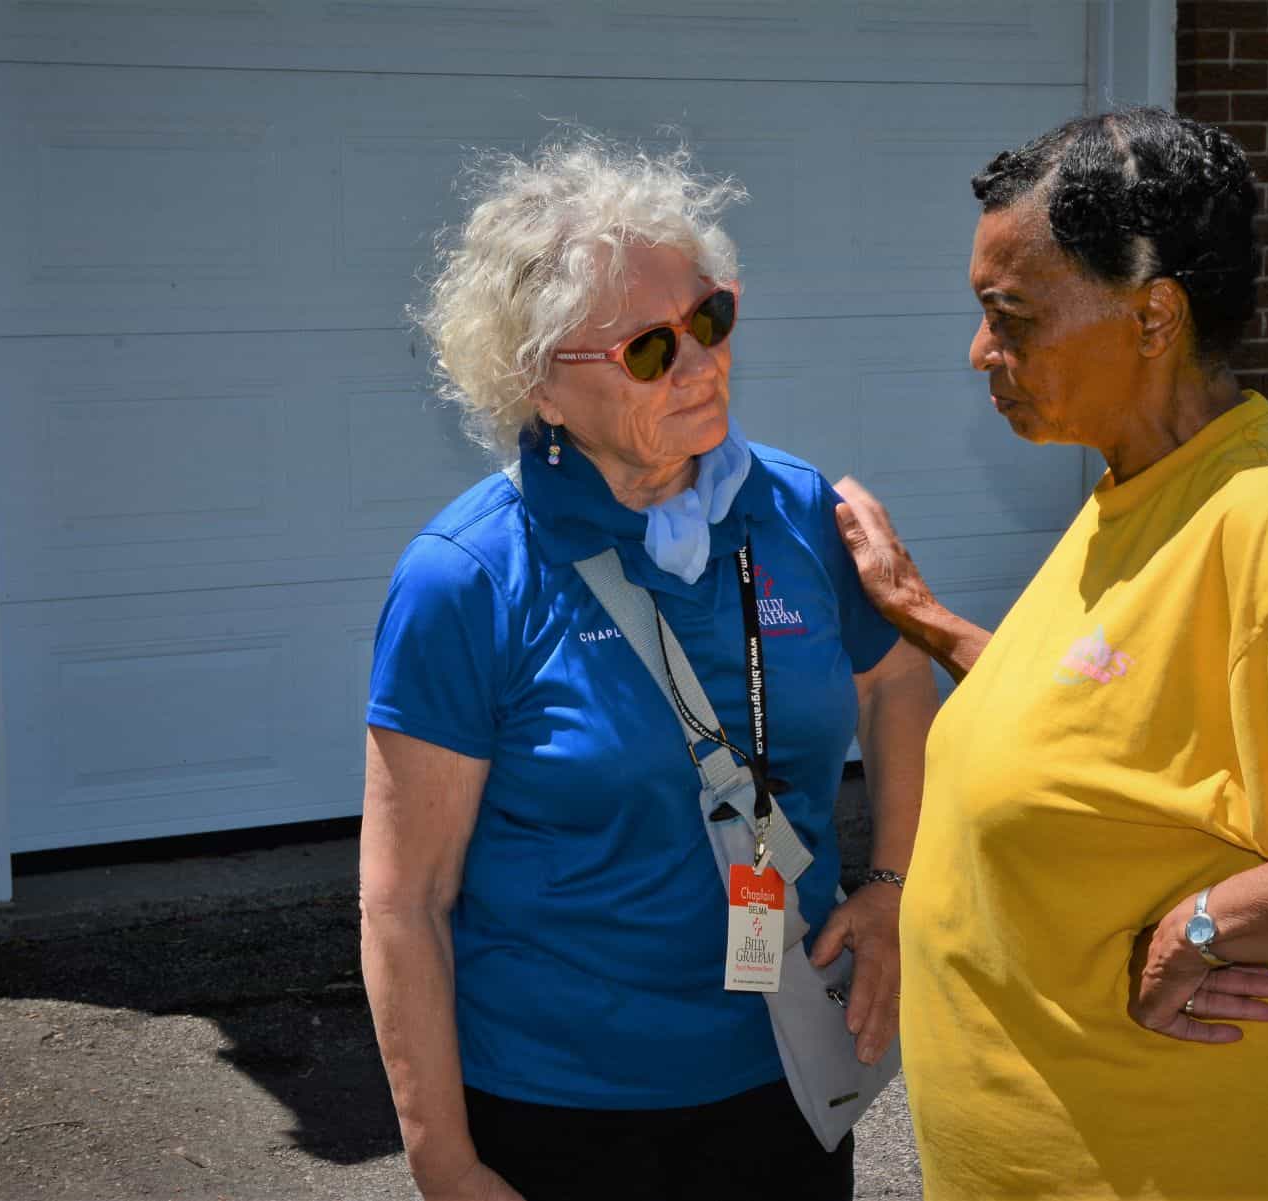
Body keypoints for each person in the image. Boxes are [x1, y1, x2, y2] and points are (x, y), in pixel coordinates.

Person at [831, 107, 1268, 1200]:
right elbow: (1098, 721)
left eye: (1010, 316)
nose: (981, 351)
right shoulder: (1138, 492)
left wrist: (1206, 928)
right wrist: (923, 615)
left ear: (1154, 314)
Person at [359, 135, 935, 1201]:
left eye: (709, 318)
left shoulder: (799, 509)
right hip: (559, 1110)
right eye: (647, 349)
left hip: (783, 1076)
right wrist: (444, 1159)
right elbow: (406, 903)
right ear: (539, 385)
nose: (701, 361)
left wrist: (894, 881)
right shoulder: (465, 578)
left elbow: (897, 682)